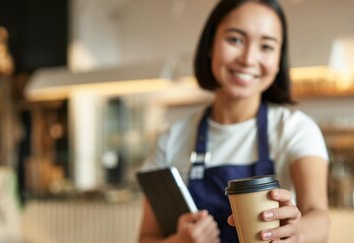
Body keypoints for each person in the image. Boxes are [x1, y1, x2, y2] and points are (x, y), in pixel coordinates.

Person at [138, 0, 329, 242]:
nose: (249, 59)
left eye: (267, 46)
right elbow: (147, 237)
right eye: (235, 40)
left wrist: (298, 234)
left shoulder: (295, 130)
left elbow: (319, 216)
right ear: (210, 46)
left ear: (279, 59)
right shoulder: (170, 140)